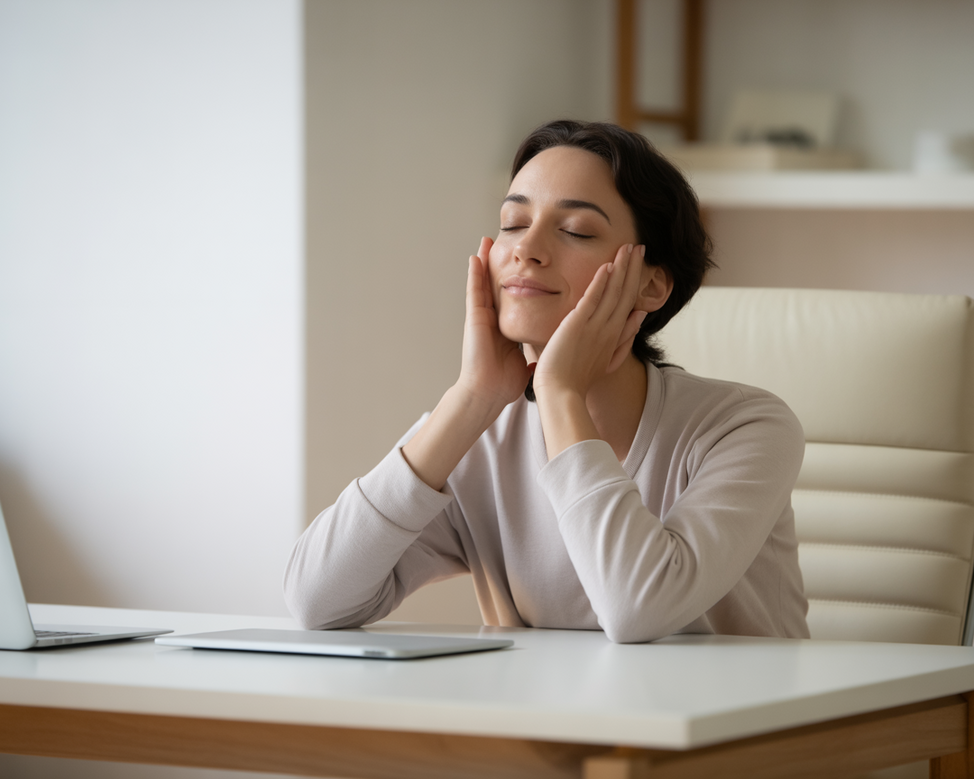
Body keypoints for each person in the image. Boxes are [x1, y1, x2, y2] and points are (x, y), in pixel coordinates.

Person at [284, 120, 809, 644]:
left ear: (650, 284)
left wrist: (560, 392)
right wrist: (471, 398)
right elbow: (315, 599)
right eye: (513, 223)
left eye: (576, 231)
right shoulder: (478, 435)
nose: (526, 249)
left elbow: (638, 609)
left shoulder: (745, 428)